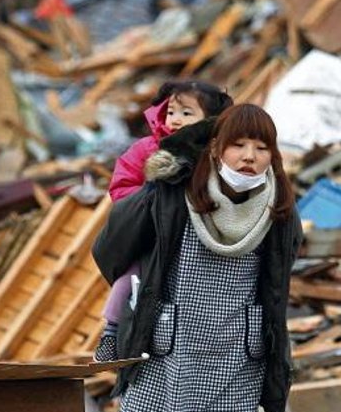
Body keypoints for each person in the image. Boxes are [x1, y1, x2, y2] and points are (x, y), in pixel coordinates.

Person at [93, 104, 303, 412]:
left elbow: (277, 280)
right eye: (238, 145)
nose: (249, 156)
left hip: (239, 358)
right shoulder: (174, 195)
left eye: (261, 148)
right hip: (169, 351)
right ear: (216, 148)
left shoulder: (279, 210)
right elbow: (113, 245)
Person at [96, 80, 232, 361]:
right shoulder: (147, 149)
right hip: (154, 235)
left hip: (200, 238)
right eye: (171, 112)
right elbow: (121, 188)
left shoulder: (216, 153)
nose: (176, 120)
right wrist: (151, 201)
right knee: (132, 276)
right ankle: (111, 331)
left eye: (186, 113)